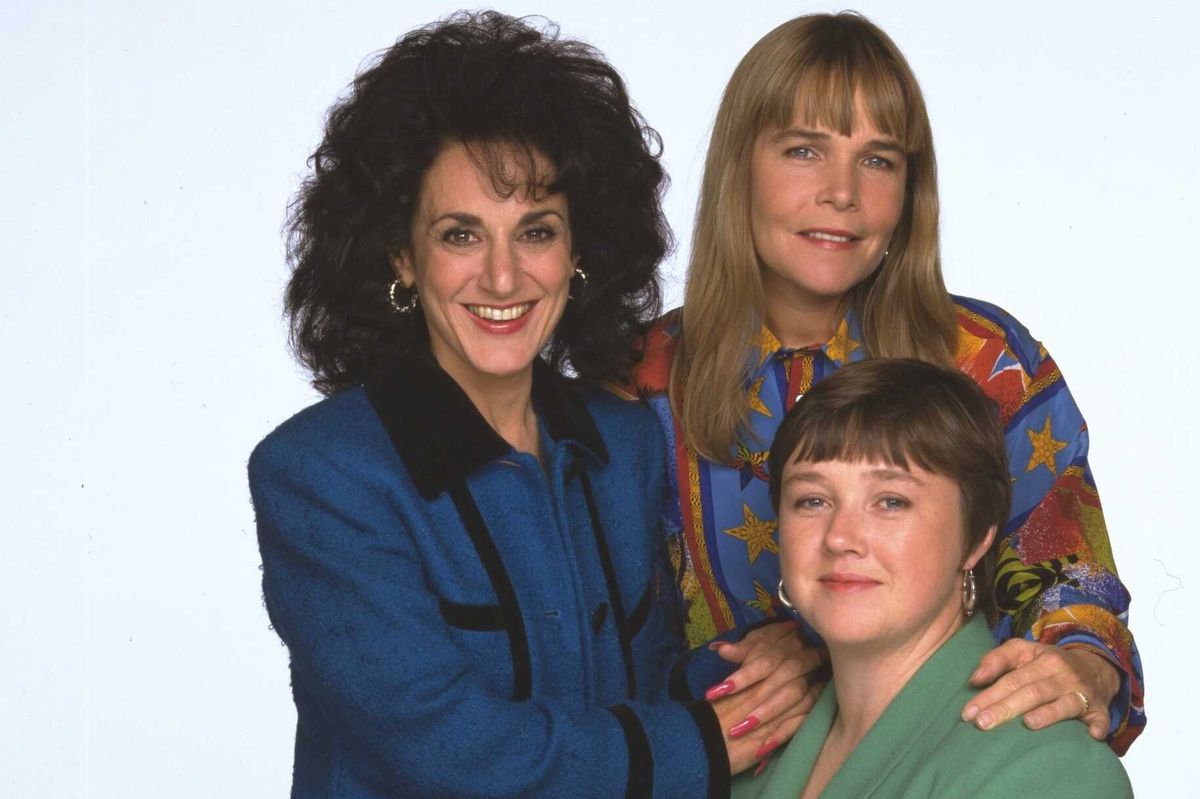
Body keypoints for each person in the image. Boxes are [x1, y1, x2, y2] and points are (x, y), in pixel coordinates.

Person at [249, 12, 805, 798]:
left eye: (536, 231)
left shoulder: (623, 440)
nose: (504, 279)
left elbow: (641, 697)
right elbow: (451, 753)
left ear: (580, 252)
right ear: (401, 256)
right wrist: (708, 745)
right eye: (460, 236)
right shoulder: (321, 474)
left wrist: (777, 660)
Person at [621, 11, 1144, 752]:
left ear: (910, 191)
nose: (842, 192)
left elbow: (1065, 569)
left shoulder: (986, 359)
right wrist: (778, 659)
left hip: (944, 760)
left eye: (878, 159)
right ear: (741, 167)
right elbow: (601, 650)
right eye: (804, 150)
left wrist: (1084, 666)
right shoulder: (641, 381)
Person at [731, 358, 1132, 798]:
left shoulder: (1050, 770)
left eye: (891, 502)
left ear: (976, 538)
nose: (840, 538)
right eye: (812, 501)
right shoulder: (746, 753)